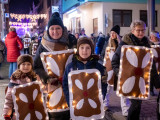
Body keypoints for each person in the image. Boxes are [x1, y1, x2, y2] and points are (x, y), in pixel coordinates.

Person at [111, 20, 160, 120]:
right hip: (129, 79)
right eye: (138, 30)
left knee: (138, 104)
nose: (141, 32)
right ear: (133, 30)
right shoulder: (124, 44)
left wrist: (157, 83)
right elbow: (114, 61)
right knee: (136, 103)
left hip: (141, 80)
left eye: (143, 30)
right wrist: (121, 74)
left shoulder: (146, 44)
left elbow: (151, 65)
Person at [34, 12, 72, 120]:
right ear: (48, 30)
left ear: (63, 29)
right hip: (51, 86)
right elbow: (36, 66)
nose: (55, 31)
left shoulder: (70, 41)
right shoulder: (43, 45)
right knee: (54, 112)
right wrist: (46, 78)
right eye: (52, 28)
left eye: (58, 28)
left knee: (69, 111)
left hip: (69, 86)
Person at [62, 37, 108, 108]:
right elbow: (65, 85)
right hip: (77, 105)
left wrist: (100, 99)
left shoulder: (99, 67)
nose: (84, 51)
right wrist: (69, 101)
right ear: (78, 49)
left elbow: (103, 85)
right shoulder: (70, 67)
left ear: (91, 50)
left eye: (88, 48)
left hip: (93, 104)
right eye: (82, 47)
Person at [101, 25, 129, 116]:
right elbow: (102, 54)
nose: (112, 35)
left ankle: (125, 110)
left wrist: (120, 42)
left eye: (114, 33)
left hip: (119, 68)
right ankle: (105, 104)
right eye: (111, 33)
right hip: (109, 69)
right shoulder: (107, 43)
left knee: (122, 89)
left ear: (117, 34)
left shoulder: (122, 43)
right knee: (108, 88)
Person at [3, 54, 37, 120]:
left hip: (32, 113)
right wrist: (7, 114)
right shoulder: (15, 79)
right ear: (19, 65)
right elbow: (9, 99)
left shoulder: (34, 78)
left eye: (28, 64)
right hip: (18, 113)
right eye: (23, 64)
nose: (26, 66)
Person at [149, 30, 160, 96]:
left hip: (159, 64)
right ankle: (150, 90)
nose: (151, 38)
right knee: (151, 77)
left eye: (152, 37)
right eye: (150, 36)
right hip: (152, 64)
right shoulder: (149, 44)